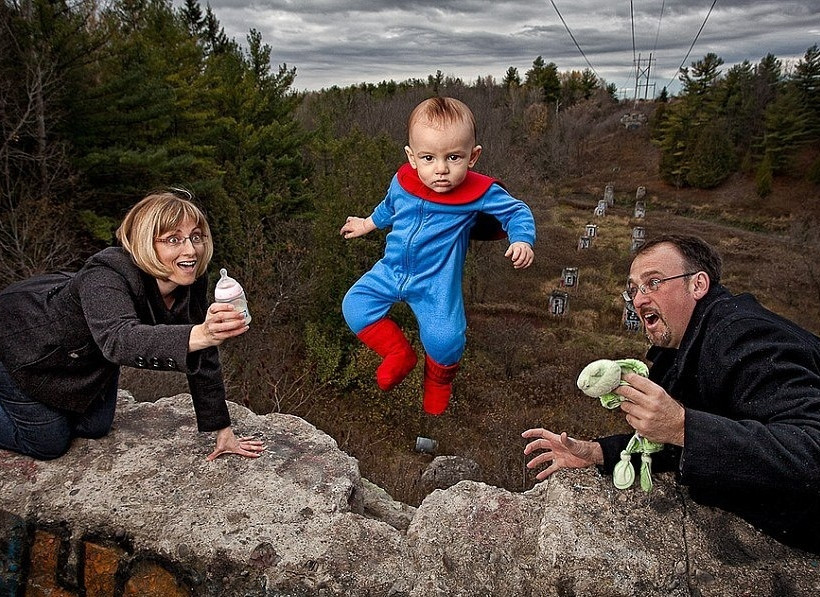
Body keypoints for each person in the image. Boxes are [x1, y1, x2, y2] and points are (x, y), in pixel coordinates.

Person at [523, 234, 820, 553]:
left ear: (698, 285)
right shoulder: (687, 350)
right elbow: (691, 445)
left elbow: (811, 452)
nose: (638, 300)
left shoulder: (744, 338)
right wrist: (597, 453)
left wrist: (684, 426)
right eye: (634, 289)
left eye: (653, 282)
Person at [0, 190, 265, 461]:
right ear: (145, 242)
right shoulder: (105, 273)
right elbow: (120, 338)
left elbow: (202, 350)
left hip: (87, 360)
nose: (190, 250)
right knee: (49, 442)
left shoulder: (189, 279)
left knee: (95, 427)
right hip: (24, 345)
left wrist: (222, 430)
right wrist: (201, 332)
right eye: (174, 239)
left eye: (195, 237)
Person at [340, 97, 536, 415]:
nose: (441, 169)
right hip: (391, 270)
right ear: (412, 157)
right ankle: (398, 354)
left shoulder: (480, 192)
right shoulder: (403, 181)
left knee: (446, 340)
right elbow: (389, 207)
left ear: (473, 157)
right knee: (355, 306)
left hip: (436, 283)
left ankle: (438, 381)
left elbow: (516, 211)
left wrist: (522, 240)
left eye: (453, 157)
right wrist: (365, 224)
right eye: (429, 157)